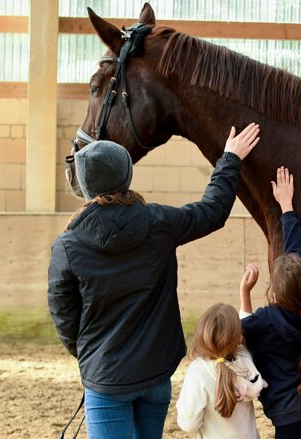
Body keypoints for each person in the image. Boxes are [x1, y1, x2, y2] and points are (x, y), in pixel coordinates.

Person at [47, 123, 260, 438]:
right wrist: (229, 159)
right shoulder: (158, 222)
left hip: (106, 375)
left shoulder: (68, 244)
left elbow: (63, 312)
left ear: (87, 186)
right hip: (155, 371)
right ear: (125, 176)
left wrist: (89, 353)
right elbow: (212, 211)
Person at [239, 166, 301, 439]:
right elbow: (298, 259)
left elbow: (239, 329)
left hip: (285, 415)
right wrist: (287, 207)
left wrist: (245, 293)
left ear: (275, 293)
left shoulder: (264, 321)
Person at [176, 303, 267, 438]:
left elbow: (188, 424)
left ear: (201, 336)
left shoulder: (198, 371)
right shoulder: (245, 359)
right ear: (238, 337)